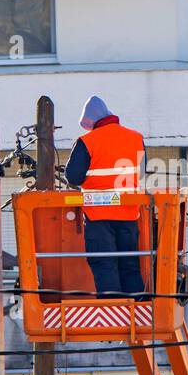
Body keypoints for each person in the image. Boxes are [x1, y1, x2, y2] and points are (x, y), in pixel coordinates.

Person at [64, 95, 147, 297]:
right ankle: (135, 311)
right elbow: (142, 172)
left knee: (105, 263)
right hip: (129, 214)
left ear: (90, 121)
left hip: (98, 215)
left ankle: (113, 311)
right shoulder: (135, 137)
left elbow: (73, 177)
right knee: (130, 264)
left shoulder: (87, 141)